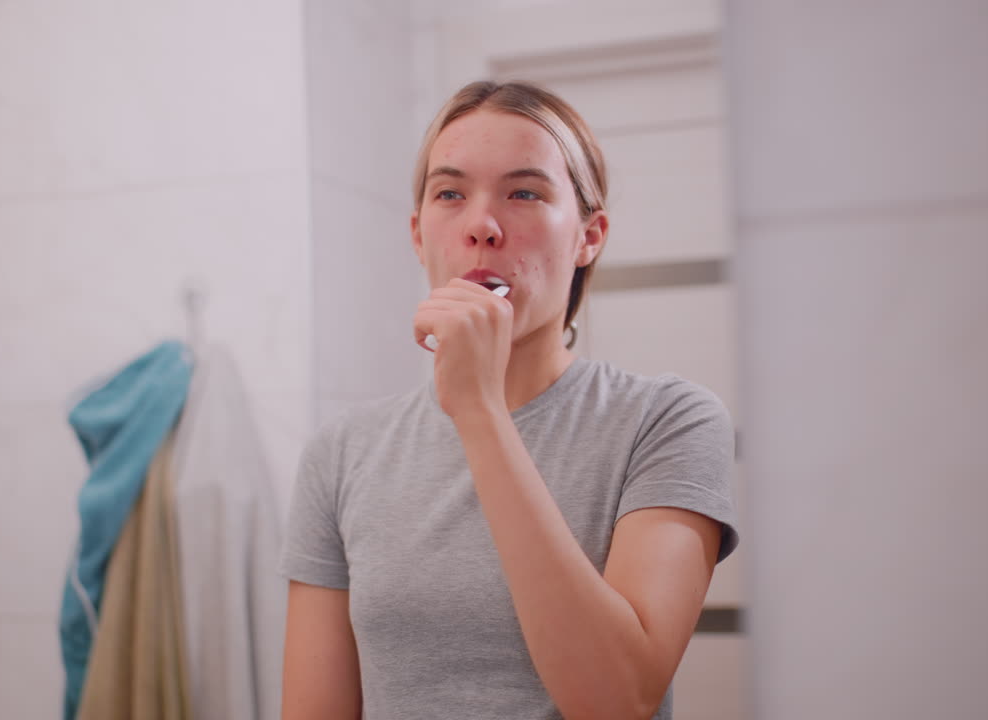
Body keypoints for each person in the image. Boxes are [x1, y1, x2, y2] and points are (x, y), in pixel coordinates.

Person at [278, 80, 739, 720]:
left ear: (589, 236)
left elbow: (618, 701)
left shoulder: (666, 422)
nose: (482, 227)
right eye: (450, 194)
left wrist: (480, 412)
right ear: (418, 234)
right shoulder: (343, 451)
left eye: (524, 192)